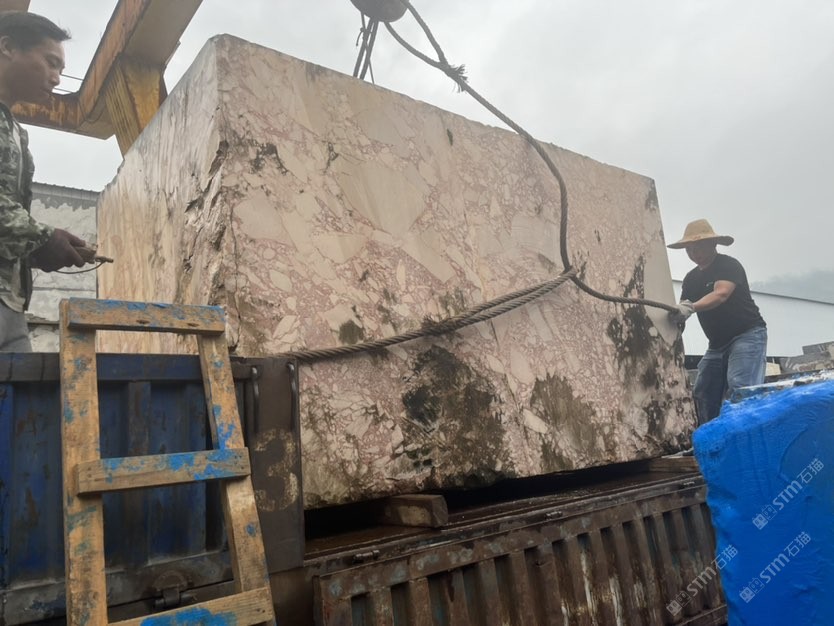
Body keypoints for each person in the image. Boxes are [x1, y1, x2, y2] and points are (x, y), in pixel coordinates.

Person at [0, 11, 86, 351]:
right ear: (8, 47)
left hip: (10, 303)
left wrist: (39, 251)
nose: (56, 79)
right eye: (51, 63)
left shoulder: (16, 133)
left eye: (61, 69)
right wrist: (42, 238)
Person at [667, 219, 767, 424]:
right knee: (703, 391)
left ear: (713, 244)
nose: (694, 253)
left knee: (741, 387)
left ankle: (745, 433)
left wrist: (691, 307)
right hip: (717, 344)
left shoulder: (728, 265)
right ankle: (711, 436)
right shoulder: (690, 279)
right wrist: (672, 335)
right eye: (689, 249)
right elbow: (683, 310)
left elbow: (721, 294)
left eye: (698, 247)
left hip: (747, 334)